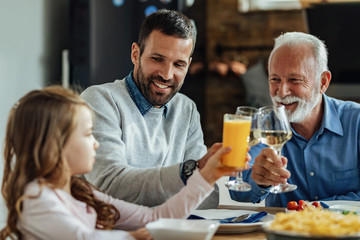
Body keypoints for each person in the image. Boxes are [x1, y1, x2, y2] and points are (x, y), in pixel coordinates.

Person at [0, 86, 242, 240]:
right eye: (87, 135)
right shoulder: (36, 198)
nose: (96, 143)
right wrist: (135, 237)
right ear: (56, 144)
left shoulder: (80, 192)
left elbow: (154, 217)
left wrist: (208, 176)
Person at [80, 9, 217, 208]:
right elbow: (109, 186)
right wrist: (187, 174)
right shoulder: (100, 100)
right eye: (157, 59)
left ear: (188, 65)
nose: (167, 74)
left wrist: (250, 181)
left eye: (178, 64)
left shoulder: (186, 109)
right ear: (136, 54)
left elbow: (205, 198)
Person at [230, 31, 360, 207]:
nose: (282, 92)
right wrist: (260, 180)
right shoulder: (262, 124)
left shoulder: (356, 120)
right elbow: (238, 193)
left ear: (323, 82)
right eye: (275, 79)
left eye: (295, 80)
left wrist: (320, 208)